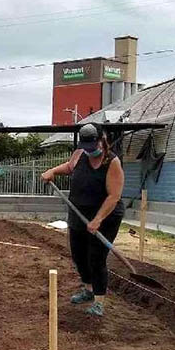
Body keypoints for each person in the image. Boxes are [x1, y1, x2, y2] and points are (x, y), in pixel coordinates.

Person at [41, 123, 124, 317]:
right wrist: (53, 171)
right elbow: (69, 167)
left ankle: (99, 301)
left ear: (101, 140)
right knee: (79, 255)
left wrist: (97, 220)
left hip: (105, 216)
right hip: (78, 212)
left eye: (92, 146)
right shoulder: (79, 154)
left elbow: (114, 196)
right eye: (85, 146)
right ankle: (88, 290)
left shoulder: (112, 162)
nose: (89, 150)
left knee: (96, 258)